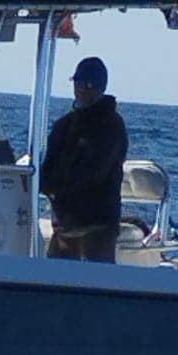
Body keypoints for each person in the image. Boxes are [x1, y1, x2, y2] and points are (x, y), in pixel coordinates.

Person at [40, 55, 128, 262]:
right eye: (78, 83)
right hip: (64, 225)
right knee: (55, 274)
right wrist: (47, 185)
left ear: (100, 88)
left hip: (98, 226)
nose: (81, 89)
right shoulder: (64, 125)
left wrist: (60, 187)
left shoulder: (111, 126)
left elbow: (94, 172)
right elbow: (48, 167)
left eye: (88, 84)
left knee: (97, 276)